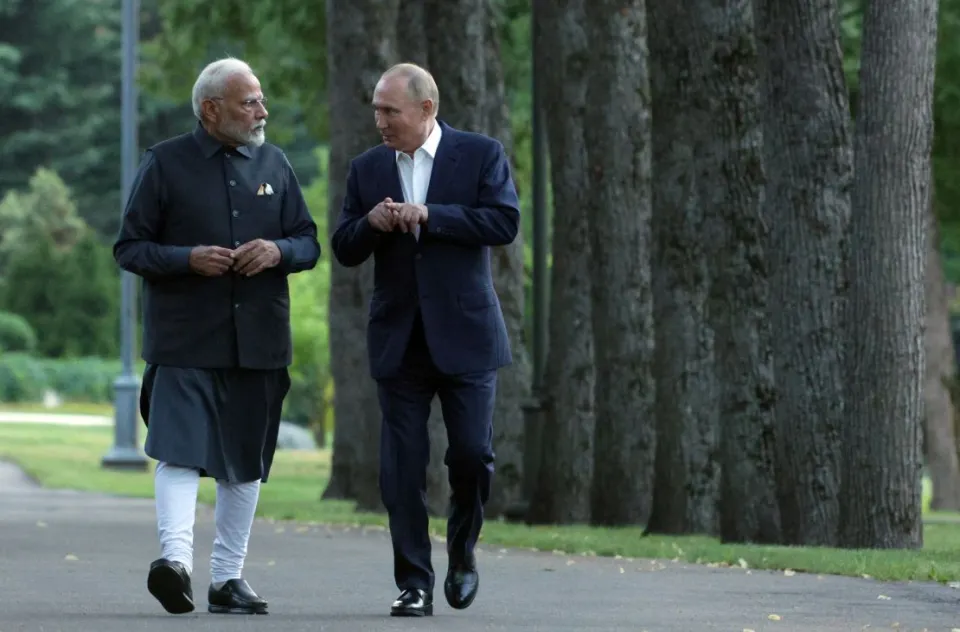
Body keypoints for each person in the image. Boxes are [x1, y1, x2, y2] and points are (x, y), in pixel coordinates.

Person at [113, 57, 321, 616]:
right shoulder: (164, 164)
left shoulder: (275, 162)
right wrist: (186, 259)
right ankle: (174, 563)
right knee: (179, 450)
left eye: (260, 99)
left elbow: (309, 241)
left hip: (258, 339)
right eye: (248, 101)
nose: (262, 110)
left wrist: (279, 251)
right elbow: (129, 248)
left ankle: (228, 580)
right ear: (211, 109)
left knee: (245, 460)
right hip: (184, 341)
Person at [330, 62, 520, 617]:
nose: (380, 120)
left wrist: (431, 215)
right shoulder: (367, 168)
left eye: (390, 110)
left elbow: (503, 223)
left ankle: (462, 552)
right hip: (399, 340)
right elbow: (344, 245)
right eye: (375, 109)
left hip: (466, 335)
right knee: (401, 469)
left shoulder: (481, 154)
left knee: (471, 456)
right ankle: (414, 582)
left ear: (426, 109)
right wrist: (372, 223)